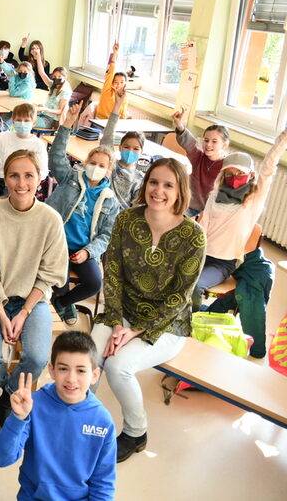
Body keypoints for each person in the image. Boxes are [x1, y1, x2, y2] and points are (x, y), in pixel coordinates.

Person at [91, 158, 206, 463]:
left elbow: (180, 296)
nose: (159, 190)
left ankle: (135, 432)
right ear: (145, 185)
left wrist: (135, 330)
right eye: (154, 182)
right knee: (90, 356)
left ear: (180, 191)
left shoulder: (193, 235)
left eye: (168, 185)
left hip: (165, 325)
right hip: (121, 311)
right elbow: (112, 272)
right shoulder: (127, 219)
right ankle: (81, 420)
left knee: (118, 367)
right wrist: (116, 324)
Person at [0, 149, 69, 426]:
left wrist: (23, 312)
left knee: (37, 358)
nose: (21, 183)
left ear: (40, 179)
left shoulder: (51, 220)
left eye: (29, 175)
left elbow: (51, 273)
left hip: (32, 300)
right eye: (14, 175)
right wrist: (2, 313)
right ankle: (6, 387)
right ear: (4, 178)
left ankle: (9, 395)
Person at [0, 331, 116, 501]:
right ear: (52, 370)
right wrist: (18, 418)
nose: (71, 379)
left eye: (80, 370)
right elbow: (1, 458)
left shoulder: (103, 421)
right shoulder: (33, 405)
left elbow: (103, 484)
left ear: (94, 376)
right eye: (63, 368)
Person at [193, 131, 287, 313]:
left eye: (240, 173)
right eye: (230, 173)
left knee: (195, 286)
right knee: (171, 276)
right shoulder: (215, 194)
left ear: (250, 174)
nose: (235, 177)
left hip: (222, 263)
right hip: (201, 253)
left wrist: (283, 140)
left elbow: (268, 168)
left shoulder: (253, 199)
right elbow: (203, 225)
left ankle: (193, 318)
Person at [47, 105, 120, 324]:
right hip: (58, 243)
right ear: (85, 163)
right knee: (60, 278)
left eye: (101, 166)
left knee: (94, 283)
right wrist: (67, 125)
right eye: (93, 163)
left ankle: (62, 303)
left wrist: (88, 253)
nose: (96, 168)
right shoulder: (70, 177)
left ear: (108, 170)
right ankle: (61, 299)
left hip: (83, 249)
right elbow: (56, 157)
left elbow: (107, 235)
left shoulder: (110, 200)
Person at [0, 103, 48, 209]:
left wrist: (29, 181)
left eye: (26, 121)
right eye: (19, 120)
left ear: (34, 123)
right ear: (13, 121)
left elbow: (43, 171)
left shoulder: (38, 144)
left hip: (20, 181)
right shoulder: (4, 137)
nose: (22, 124)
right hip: (0, 177)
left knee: (8, 203)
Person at [172, 105, 230, 216]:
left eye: (214, 141)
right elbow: (189, 142)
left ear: (224, 145)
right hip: (187, 207)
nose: (208, 144)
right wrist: (179, 125)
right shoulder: (197, 156)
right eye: (206, 140)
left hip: (208, 213)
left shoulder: (226, 166)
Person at [99, 87, 144, 209]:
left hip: (120, 219)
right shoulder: (112, 164)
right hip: (100, 210)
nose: (130, 151)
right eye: (127, 147)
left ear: (142, 152)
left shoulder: (140, 178)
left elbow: (137, 208)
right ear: (120, 147)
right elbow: (107, 136)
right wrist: (117, 105)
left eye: (136, 149)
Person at [95, 43, 128, 119]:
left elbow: (123, 116)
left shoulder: (124, 97)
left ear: (125, 84)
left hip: (114, 125)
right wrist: (115, 53)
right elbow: (111, 71)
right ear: (112, 82)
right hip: (100, 122)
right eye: (116, 82)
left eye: (122, 82)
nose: (119, 85)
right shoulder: (107, 90)